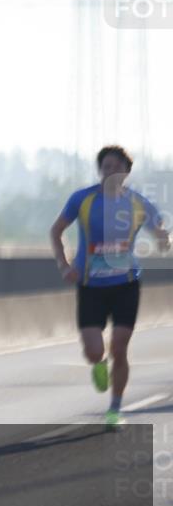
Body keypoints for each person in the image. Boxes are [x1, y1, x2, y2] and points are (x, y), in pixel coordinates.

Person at [49, 145, 170, 427]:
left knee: (120, 346)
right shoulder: (83, 199)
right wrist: (64, 265)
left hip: (126, 284)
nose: (110, 171)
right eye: (105, 166)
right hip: (90, 284)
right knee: (93, 351)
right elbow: (56, 231)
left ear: (126, 172)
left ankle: (115, 409)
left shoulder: (139, 203)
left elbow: (162, 239)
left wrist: (165, 238)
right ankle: (99, 363)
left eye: (116, 167)